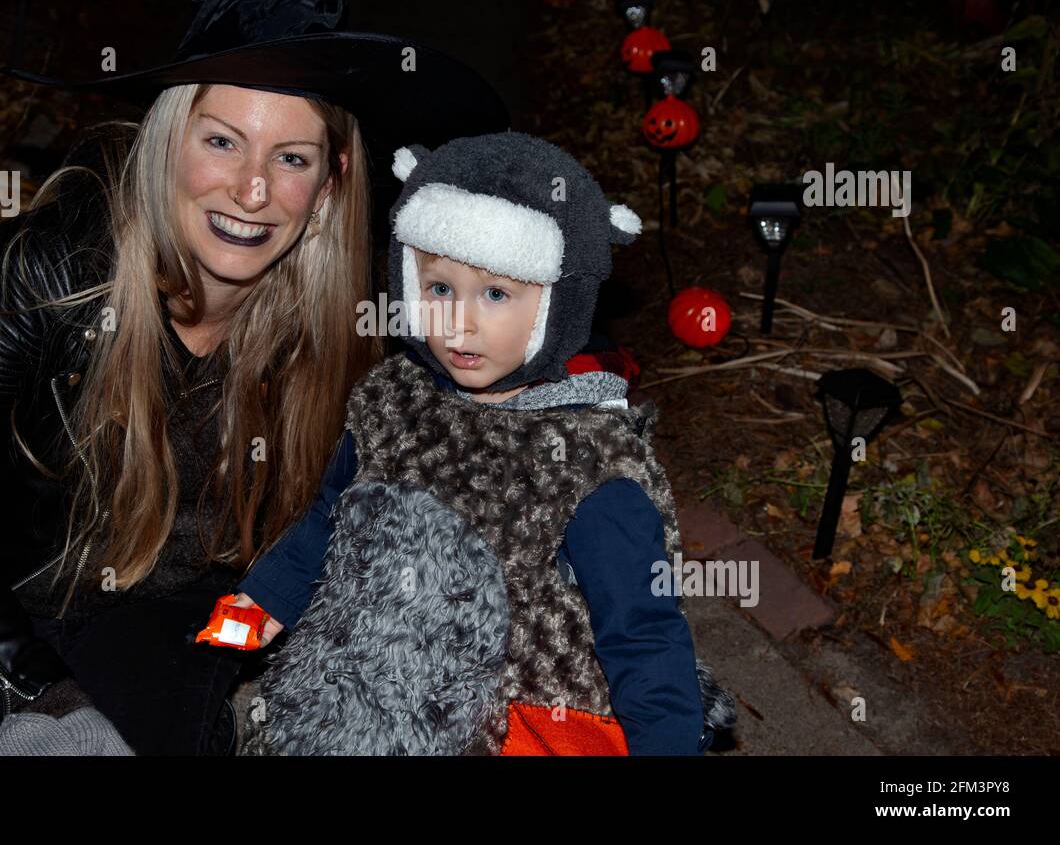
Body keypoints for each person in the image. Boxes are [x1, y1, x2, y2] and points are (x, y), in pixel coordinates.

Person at [0, 0, 509, 755]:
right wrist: (40, 694)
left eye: (291, 158)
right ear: (169, 144)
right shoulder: (37, 275)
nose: (251, 189)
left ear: (331, 182)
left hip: (167, 604)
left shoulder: (364, 319)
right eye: (221, 141)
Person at [223, 132, 737, 755]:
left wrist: (663, 742)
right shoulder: (394, 403)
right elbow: (331, 516)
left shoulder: (588, 464)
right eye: (440, 289)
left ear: (555, 303)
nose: (459, 322)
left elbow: (642, 629)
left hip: (508, 721)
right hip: (363, 684)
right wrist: (261, 604)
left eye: (497, 294)